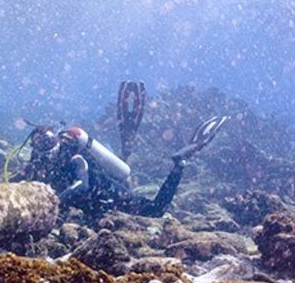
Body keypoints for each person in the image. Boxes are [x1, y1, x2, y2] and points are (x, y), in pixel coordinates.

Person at [13, 82, 228, 220]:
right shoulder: (40, 164)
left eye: (47, 143)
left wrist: (55, 202)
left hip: (109, 194)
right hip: (93, 207)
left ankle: (178, 164)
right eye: (38, 145)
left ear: (57, 141)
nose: (43, 150)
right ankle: (128, 154)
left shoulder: (75, 157)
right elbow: (19, 179)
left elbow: (83, 184)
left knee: (155, 210)